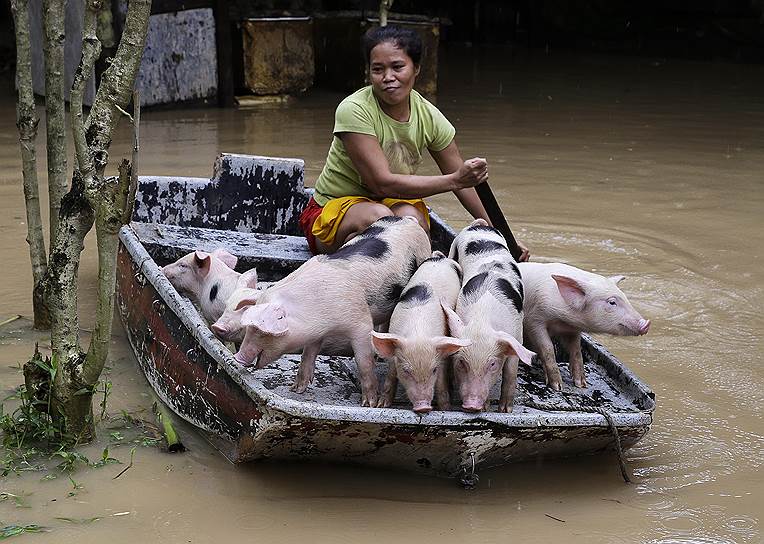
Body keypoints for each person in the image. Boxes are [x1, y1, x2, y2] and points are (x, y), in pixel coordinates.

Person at [298, 24, 530, 260]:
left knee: (413, 220)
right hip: (331, 214)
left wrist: (503, 237)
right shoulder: (354, 109)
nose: (388, 78)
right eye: (378, 69)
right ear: (369, 72)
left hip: (388, 205)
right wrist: (454, 180)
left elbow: (465, 184)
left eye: (398, 67)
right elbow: (381, 184)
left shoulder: (428, 116)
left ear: (416, 68)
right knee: (380, 219)